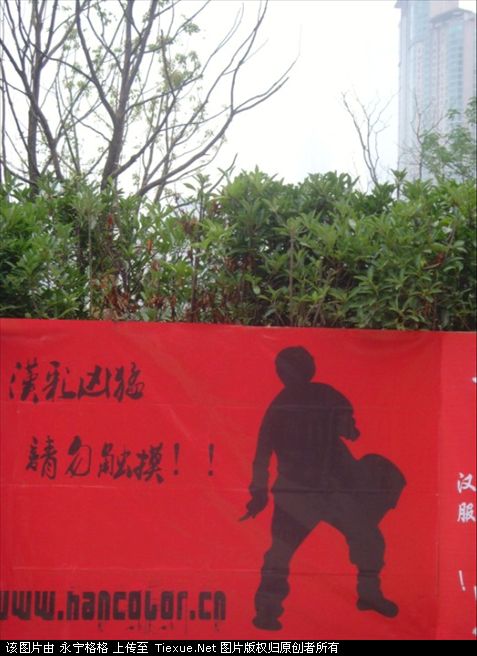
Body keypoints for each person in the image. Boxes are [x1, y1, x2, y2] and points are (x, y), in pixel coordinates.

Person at [242, 346, 406, 631]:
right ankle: (267, 610)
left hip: (327, 490)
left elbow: (347, 430)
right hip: (298, 493)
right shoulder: (304, 400)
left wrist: (259, 493)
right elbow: (263, 454)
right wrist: (258, 492)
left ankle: (368, 595)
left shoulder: (309, 399)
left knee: (367, 538)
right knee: (281, 553)